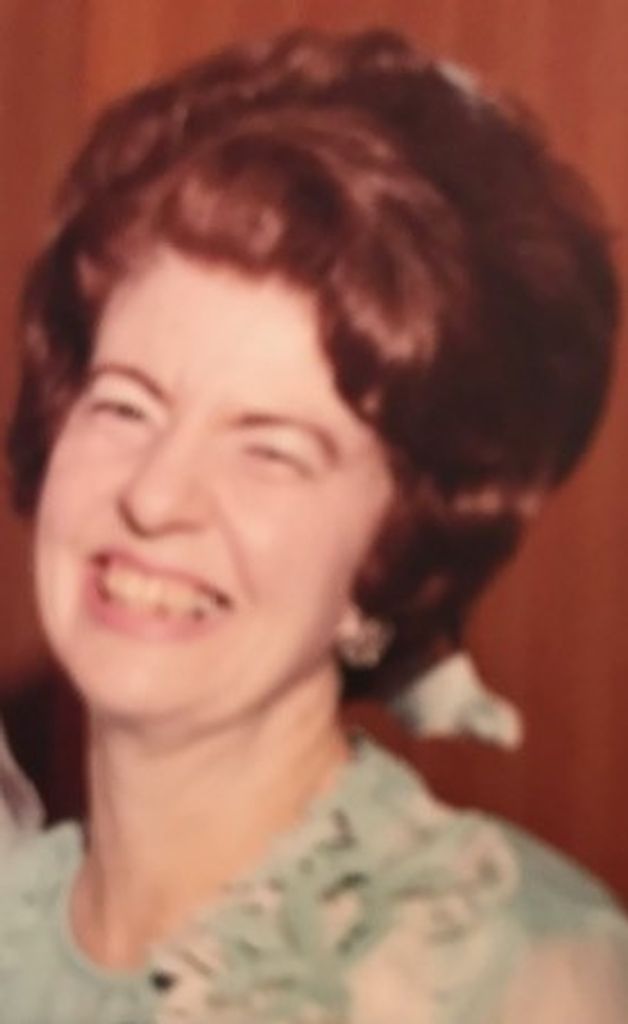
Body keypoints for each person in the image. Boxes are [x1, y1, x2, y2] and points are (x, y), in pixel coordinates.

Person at [0, 27, 626, 1024]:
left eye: (271, 451)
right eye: (125, 406)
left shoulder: (525, 979)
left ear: (390, 551)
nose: (156, 496)